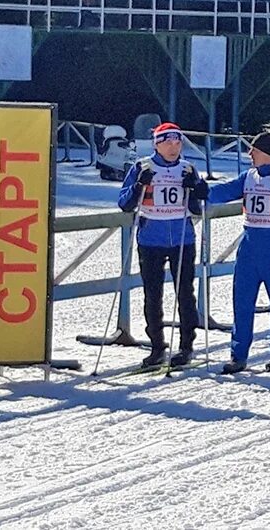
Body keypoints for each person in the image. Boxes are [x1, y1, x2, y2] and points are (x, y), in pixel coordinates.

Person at [207, 132, 270, 374]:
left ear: (267, 154)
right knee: (242, 300)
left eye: (255, 150)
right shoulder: (247, 176)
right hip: (249, 244)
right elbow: (223, 192)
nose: (250, 154)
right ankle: (238, 355)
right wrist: (199, 190)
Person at [117, 122, 206, 368]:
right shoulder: (142, 166)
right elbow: (124, 204)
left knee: (185, 294)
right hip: (151, 238)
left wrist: (198, 189)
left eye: (177, 143)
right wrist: (138, 186)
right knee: (152, 295)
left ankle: (186, 346)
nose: (173, 147)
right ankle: (157, 346)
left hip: (182, 239)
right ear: (157, 143)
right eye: (168, 142)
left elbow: (196, 208)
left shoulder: (188, 168)